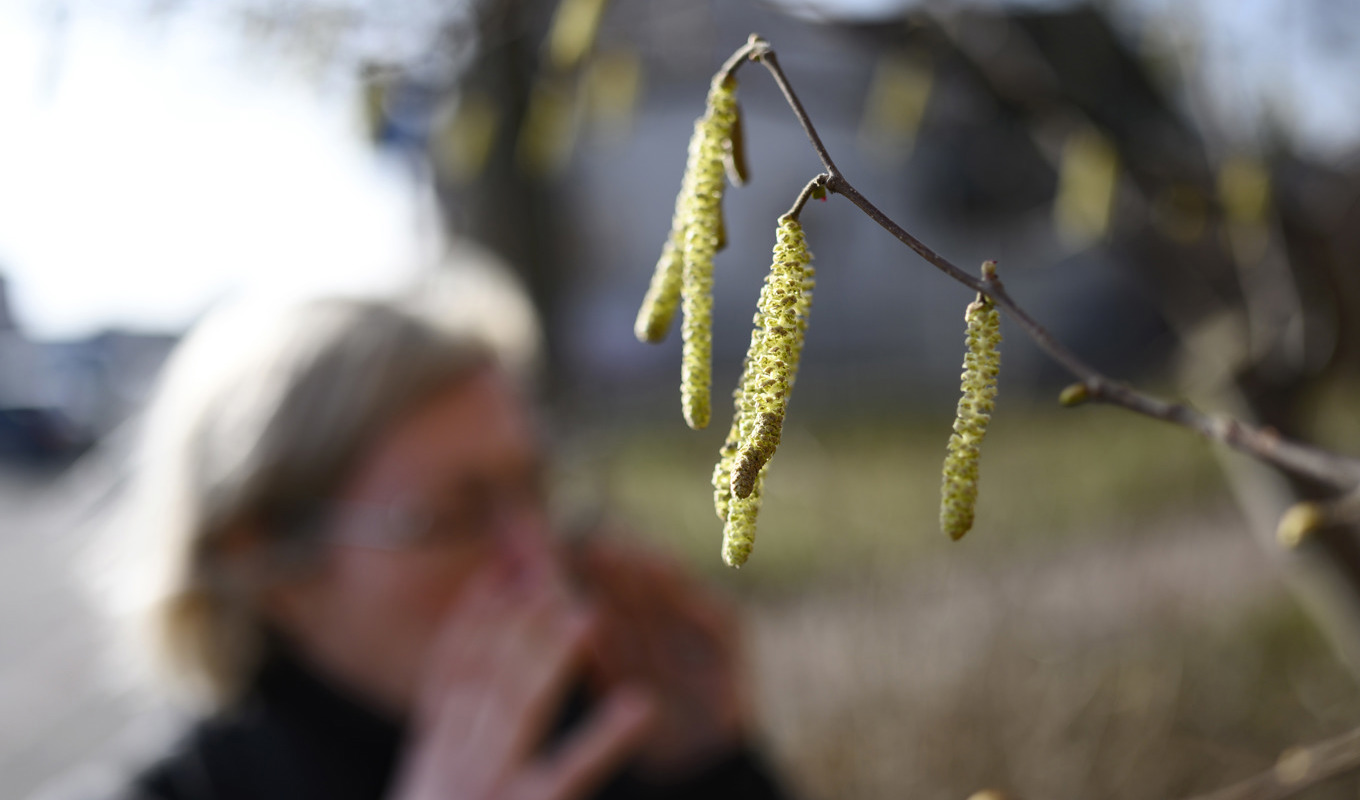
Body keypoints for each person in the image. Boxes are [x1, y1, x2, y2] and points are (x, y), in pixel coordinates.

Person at [112, 294, 788, 800]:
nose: (536, 558)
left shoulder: (602, 746)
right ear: (263, 561)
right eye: (451, 518)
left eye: (535, 492)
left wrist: (713, 773)